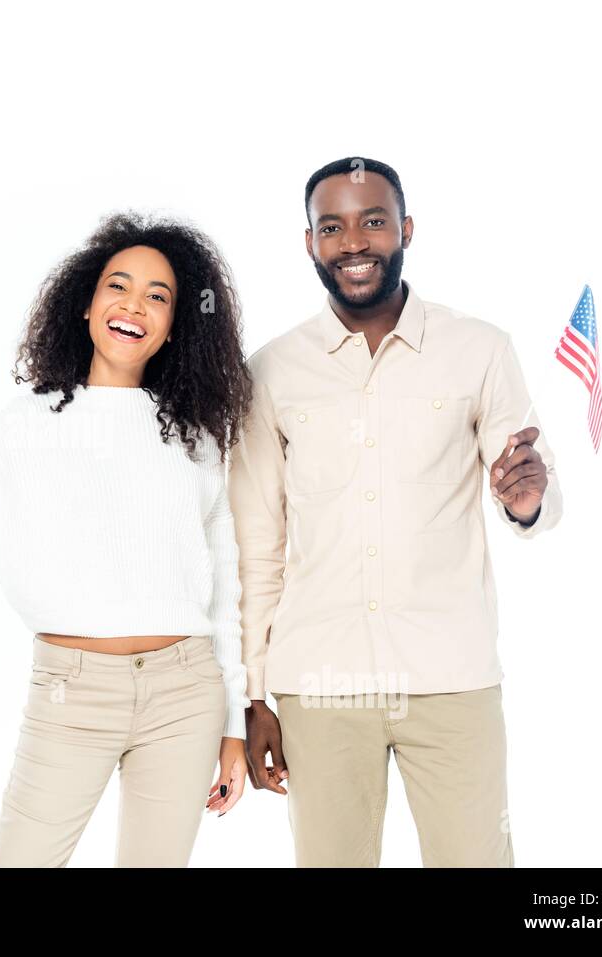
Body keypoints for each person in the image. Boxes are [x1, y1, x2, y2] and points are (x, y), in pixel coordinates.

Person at [0, 212, 254, 867]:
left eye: (157, 296)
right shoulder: (28, 423)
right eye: (118, 286)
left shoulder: (195, 438)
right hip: (71, 694)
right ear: (86, 305)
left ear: (172, 327)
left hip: (186, 692)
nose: (134, 305)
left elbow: (225, 577)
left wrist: (232, 720)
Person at [230, 157, 563, 867]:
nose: (355, 241)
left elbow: (535, 485)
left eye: (373, 221)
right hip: (319, 683)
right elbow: (257, 545)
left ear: (405, 228)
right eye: (333, 227)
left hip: (453, 675)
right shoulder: (271, 372)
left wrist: (528, 501)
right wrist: (255, 693)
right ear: (310, 243)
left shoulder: (480, 348)